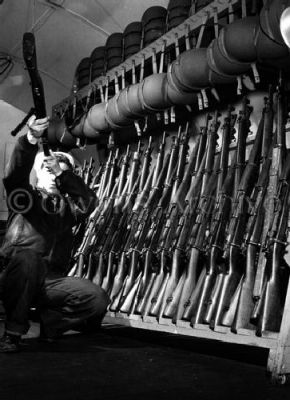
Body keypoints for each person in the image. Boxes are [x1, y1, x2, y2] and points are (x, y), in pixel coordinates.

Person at [0, 115, 110, 353]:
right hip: (16, 275)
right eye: (47, 166)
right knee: (29, 259)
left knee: (96, 298)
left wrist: (62, 174)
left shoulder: (68, 208)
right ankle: (13, 334)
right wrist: (31, 139)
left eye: (60, 166)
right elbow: (15, 176)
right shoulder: (25, 198)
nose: (52, 169)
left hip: (50, 280)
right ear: (38, 172)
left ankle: (51, 325)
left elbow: (89, 202)